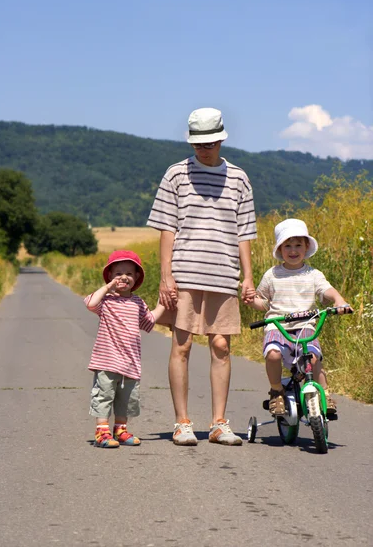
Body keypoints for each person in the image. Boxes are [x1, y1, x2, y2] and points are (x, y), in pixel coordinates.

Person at [147, 107, 257, 446]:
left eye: (209, 142)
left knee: (222, 346)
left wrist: (248, 278)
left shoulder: (239, 178)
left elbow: (244, 233)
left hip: (223, 274)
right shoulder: (176, 174)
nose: (203, 149)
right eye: (198, 143)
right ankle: (182, 423)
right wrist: (166, 276)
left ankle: (219, 423)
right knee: (181, 345)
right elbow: (167, 227)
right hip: (185, 273)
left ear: (221, 138)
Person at [246, 218, 352, 416]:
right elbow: (263, 302)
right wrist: (252, 301)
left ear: (306, 247)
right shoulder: (272, 275)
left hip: (305, 326)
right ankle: (276, 391)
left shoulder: (313, 274)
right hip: (277, 325)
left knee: (312, 357)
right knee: (273, 354)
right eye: (287, 246)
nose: (293, 250)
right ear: (280, 250)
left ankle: (324, 393)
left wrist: (338, 300)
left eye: (298, 245)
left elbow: (326, 290)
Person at [84, 250, 165, 448]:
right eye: (118, 273)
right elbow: (90, 303)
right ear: (110, 276)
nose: (124, 278)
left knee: (126, 399)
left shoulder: (137, 302)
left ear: (136, 277)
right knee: (104, 395)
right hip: (107, 360)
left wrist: (164, 302)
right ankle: (101, 432)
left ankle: (120, 429)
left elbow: (149, 322)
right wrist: (108, 288)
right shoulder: (106, 301)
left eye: (129, 273)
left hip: (130, 362)